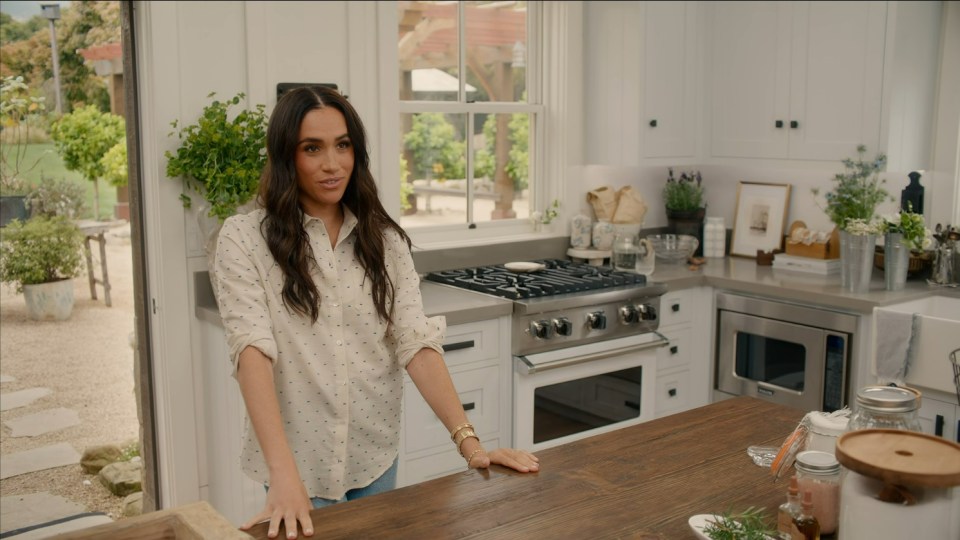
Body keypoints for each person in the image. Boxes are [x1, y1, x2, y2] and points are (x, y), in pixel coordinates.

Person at [212, 85, 539, 540]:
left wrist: (471, 445)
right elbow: (252, 352)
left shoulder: (383, 240)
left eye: (343, 145)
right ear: (286, 156)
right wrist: (282, 472)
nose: (332, 163)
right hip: (298, 465)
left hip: (375, 455)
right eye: (312, 148)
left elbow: (415, 342)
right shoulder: (244, 239)